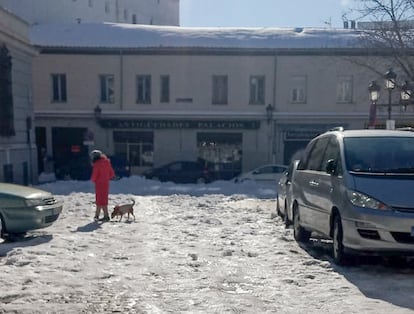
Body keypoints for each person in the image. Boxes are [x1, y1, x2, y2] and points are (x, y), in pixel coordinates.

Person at [90, 150, 115, 222]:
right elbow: (111, 174)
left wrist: (93, 180)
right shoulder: (107, 162)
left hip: (99, 184)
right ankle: (99, 215)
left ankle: (103, 215)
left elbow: (94, 175)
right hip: (106, 184)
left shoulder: (97, 164)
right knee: (104, 199)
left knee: (99, 200)